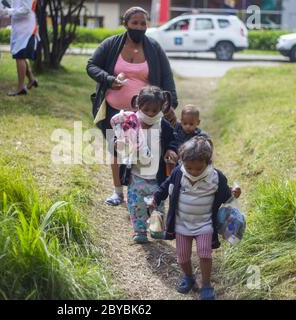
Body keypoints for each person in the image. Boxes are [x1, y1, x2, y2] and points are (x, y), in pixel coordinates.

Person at [86, 6, 178, 206]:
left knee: (145, 150)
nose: (139, 26)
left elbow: (167, 77)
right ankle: (118, 192)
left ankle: (142, 190)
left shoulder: (153, 48)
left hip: (145, 112)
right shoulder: (111, 44)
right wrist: (109, 79)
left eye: (143, 23)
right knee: (117, 149)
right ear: (125, 23)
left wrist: (171, 104)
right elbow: (91, 65)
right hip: (114, 110)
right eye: (135, 23)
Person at [151, 136, 242, 300]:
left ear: (207, 163)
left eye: (198, 169)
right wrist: (155, 198)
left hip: (205, 224)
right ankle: (188, 277)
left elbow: (226, 195)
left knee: (205, 254)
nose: (193, 171)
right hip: (181, 224)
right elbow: (165, 186)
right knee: (183, 256)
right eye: (189, 167)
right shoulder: (179, 172)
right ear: (183, 162)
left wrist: (234, 193)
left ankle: (206, 285)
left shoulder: (215, 177)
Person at [122, 86, 179, 244]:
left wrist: (171, 150)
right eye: (146, 110)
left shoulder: (163, 125)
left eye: (155, 110)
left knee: (158, 203)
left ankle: (157, 227)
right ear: (138, 106)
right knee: (136, 204)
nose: (150, 114)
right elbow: (119, 139)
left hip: (157, 176)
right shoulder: (131, 122)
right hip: (135, 174)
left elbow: (173, 140)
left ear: (162, 108)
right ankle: (139, 230)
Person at [0, 0, 39, 96]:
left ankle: (21, 87)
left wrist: (8, 11)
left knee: (20, 56)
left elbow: (26, 9)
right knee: (20, 55)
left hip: (25, 28)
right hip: (22, 26)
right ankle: (31, 79)